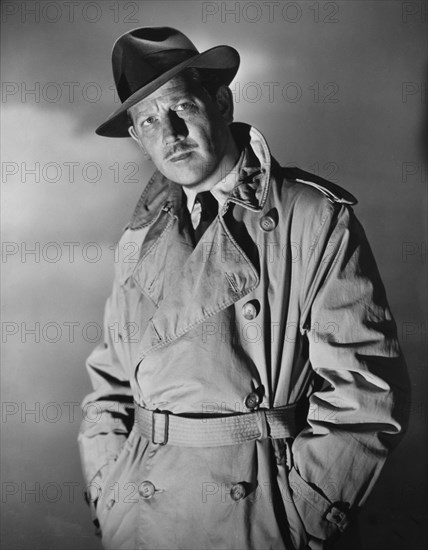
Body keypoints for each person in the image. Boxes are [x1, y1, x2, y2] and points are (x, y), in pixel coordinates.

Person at [78, 27, 408, 550]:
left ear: (222, 101)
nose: (170, 133)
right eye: (148, 121)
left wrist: (304, 516)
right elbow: (111, 382)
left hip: (256, 515)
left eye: (181, 107)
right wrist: (107, 488)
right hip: (140, 519)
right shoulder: (138, 237)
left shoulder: (311, 217)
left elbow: (364, 392)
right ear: (139, 139)